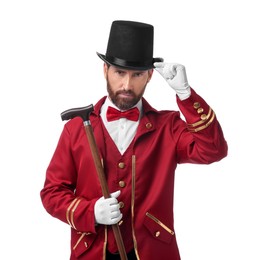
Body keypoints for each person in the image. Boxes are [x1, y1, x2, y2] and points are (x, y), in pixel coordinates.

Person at [40, 20, 228, 260]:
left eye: (137, 74)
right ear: (105, 70)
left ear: (150, 75)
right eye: (119, 73)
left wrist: (186, 95)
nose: (127, 85)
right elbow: (52, 193)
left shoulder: (167, 127)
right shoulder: (77, 128)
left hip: (153, 252)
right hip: (92, 250)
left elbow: (214, 150)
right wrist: (90, 212)